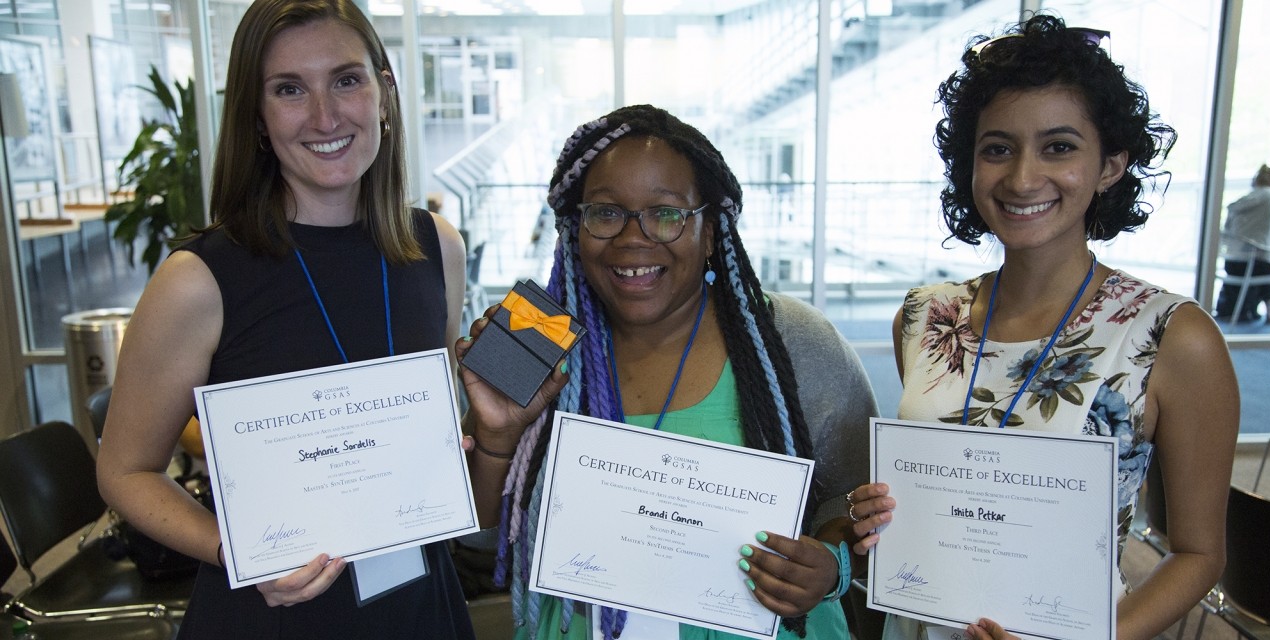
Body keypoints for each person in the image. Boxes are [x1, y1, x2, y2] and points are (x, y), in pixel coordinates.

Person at [96, 1, 488, 637]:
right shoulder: (199, 280)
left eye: (346, 79)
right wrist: (235, 552)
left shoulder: (436, 249)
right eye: (289, 90)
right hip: (274, 616)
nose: (325, 116)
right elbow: (124, 470)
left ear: (384, 92)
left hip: (418, 605)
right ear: (256, 115)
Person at [845, 14, 1239, 640]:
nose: (1023, 178)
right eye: (997, 148)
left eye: (1059, 146)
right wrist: (879, 519)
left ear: (1111, 164)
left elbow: (1197, 555)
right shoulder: (924, 317)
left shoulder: (1171, 336)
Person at [456, 104, 879, 639]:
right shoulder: (534, 338)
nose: (634, 238)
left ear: (709, 233)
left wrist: (829, 566)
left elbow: (858, 507)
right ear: (574, 229)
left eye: (667, 213)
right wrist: (495, 437)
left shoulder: (790, 341)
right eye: (606, 213)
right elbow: (478, 549)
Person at [1215, 164, 1270, 323]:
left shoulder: (1243, 201)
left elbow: (1226, 231)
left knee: (1262, 258)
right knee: (1267, 260)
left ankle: (1269, 308)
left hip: (1233, 261)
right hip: (1259, 264)